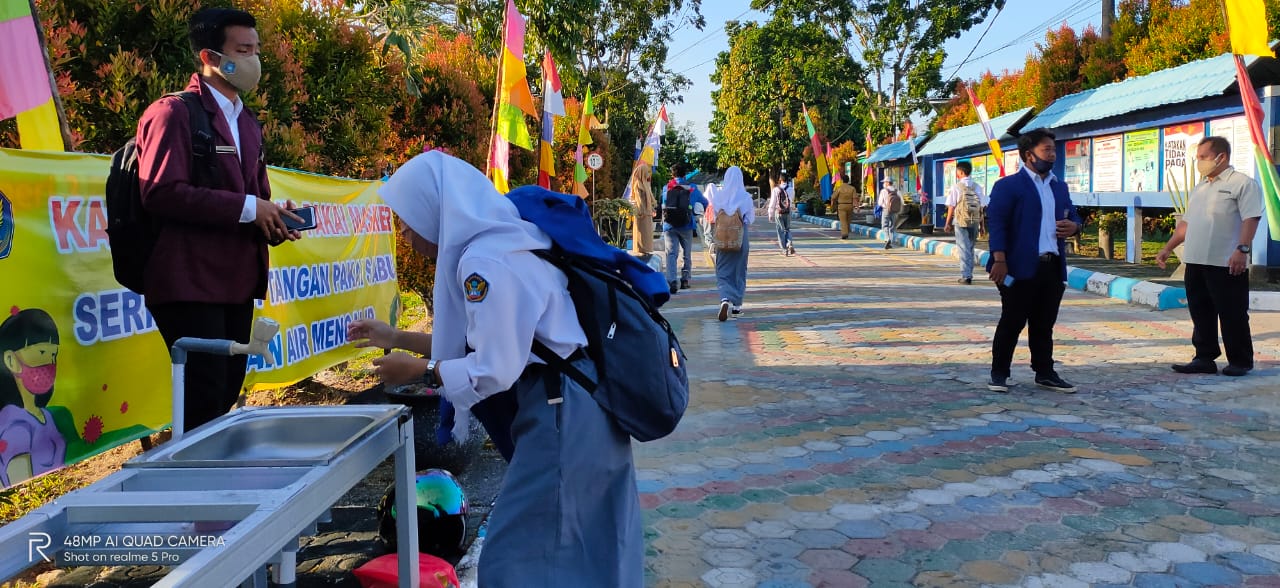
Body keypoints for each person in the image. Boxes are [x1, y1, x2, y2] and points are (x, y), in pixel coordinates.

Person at [351, 151, 642, 587]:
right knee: (593, 544)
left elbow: (495, 367)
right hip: (576, 406)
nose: (405, 232)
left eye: (408, 218)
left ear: (436, 209)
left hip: (562, 415)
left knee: (514, 559)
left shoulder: (484, 263)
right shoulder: (506, 241)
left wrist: (421, 371)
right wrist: (394, 337)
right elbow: (494, 341)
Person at [136, 7, 301, 432]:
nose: (254, 60)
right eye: (242, 50)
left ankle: (205, 485)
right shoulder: (172, 114)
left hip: (236, 280)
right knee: (203, 396)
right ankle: (184, 491)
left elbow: (254, 197)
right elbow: (161, 191)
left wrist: (273, 217)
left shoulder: (247, 122)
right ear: (210, 56)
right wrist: (250, 207)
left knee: (225, 391)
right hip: (189, 282)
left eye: (256, 49)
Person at [985, 128, 1083, 394]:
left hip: (1051, 265)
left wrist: (1074, 226)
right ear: (1029, 155)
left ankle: (1045, 372)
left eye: (1053, 150)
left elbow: (1074, 216)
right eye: (1046, 150)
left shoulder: (1058, 186)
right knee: (1013, 320)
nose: (1052, 155)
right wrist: (1000, 259)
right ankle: (999, 373)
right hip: (1016, 266)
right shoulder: (1008, 186)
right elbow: (997, 224)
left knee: (1044, 324)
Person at [1157, 136, 1263, 377]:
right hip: (1195, 260)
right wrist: (1167, 247)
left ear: (1221, 157)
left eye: (1203, 157)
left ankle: (1240, 360)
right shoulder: (1200, 187)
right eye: (1198, 158)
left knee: (1232, 312)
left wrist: (1242, 249)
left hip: (1226, 261)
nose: (1199, 162)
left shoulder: (1242, 184)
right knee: (1200, 310)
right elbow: (1186, 223)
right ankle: (1204, 358)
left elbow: (1251, 218)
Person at [711, 167, 755, 321]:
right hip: (740, 237)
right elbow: (750, 219)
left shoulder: (719, 196)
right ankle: (736, 307)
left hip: (722, 237)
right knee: (739, 270)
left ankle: (724, 300)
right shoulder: (746, 197)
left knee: (722, 270)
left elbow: (715, 215)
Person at [661, 162, 708, 294]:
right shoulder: (692, 188)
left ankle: (671, 281)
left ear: (672, 174)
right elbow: (705, 203)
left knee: (671, 253)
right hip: (687, 225)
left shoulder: (667, 188)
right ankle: (685, 280)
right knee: (686, 254)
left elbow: (663, 204)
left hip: (669, 225)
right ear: (685, 174)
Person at [944, 160, 989, 284]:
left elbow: (951, 206)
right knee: (970, 247)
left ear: (961, 172)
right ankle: (969, 273)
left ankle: (966, 275)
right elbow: (981, 207)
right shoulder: (977, 187)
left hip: (960, 221)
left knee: (963, 248)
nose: (957, 173)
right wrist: (982, 225)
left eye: (957, 171)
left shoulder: (956, 187)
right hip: (974, 221)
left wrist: (947, 223)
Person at [628, 164, 656, 259]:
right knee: (642, 233)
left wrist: (651, 208)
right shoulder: (638, 184)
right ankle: (641, 250)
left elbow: (649, 199)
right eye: (647, 172)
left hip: (647, 212)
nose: (648, 174)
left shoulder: (645, 184)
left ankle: (646, 250)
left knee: (647, 233)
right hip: (642, 213)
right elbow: (639, 200)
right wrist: (642, 211)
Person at [768, 171, 796, 255]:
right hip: (787, 212)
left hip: (778, 212)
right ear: (788, 180)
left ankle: (784, 249)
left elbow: (773, 202)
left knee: (780, 231)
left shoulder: (776, 190)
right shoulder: (791, 190)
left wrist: (770, 213)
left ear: (780, 179)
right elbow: (791, 201)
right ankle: (789, 243)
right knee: (787, 229)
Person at [830, 172, 860, 239]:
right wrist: (857, 207)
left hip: (841, 206)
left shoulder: (839, 188)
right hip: (850, 206)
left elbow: (833, 197)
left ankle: (844, 233)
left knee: (843, 220)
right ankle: (847, 232)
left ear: (842, 180)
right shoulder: (852, 188)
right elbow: (855, 198)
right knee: (848, 220)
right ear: (848, 180)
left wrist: (832, 205)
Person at [877, 178, 902, 249]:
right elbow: (902, 202)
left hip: (886, 210)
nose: (883, 183)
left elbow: (880, 203)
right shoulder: (897, 191)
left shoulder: (884, 191)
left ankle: (887, 239)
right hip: (895, 211)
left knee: (884, 225)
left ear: (887, 183)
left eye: (884, 182)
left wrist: (885, 206)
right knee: (892, 226)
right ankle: (890, 241)